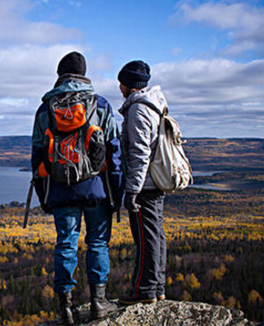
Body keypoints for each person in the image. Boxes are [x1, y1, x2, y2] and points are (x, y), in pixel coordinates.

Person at [31, 51, 124, 324]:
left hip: (60, 190)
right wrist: (116, 194)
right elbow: (114, 154)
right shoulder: (101, 105)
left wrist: (44, 196)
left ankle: (66, 310)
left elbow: (37, 157)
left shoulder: (45, 109)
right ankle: (98, 303)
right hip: (96, 189)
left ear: (60, 74)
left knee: (66, 245)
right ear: (84, 74)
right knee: (97, 243)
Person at [116, 60, 168, 305]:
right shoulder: (154, 105)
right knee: (156, 236)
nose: (119, 86)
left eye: (121, 82)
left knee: (146, 239)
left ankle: (144, 291)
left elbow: (139, 154)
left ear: (129, 85)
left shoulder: (138, 110)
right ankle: (157, 287)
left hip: (144, 186)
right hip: (154, 183)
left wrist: (132, 191)